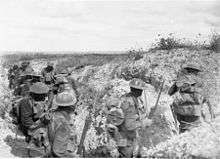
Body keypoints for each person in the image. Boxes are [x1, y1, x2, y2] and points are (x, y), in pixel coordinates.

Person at [106, 78, 152, 157]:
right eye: (141, 90)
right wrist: (143, 123)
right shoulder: (129, 103)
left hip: (125, 137)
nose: (142, 91)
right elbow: (129, 126)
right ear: (137, 90)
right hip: (125, 139)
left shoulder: (128, 98)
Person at [168, 64, 214, 133]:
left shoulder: (199, 87)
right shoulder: (180, 84)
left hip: (197, 125)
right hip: (184, 124)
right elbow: (170, 94)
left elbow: (208, 104)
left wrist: (210, 119)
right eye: (190, 72)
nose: (192, 74)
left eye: (195, 73)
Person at [48, 91, 78, 157]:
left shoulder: (53, 114)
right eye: (73, 104)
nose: (74, 106)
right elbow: (58, 151)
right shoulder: (63, 123)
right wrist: (73, 156)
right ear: (70, 107)